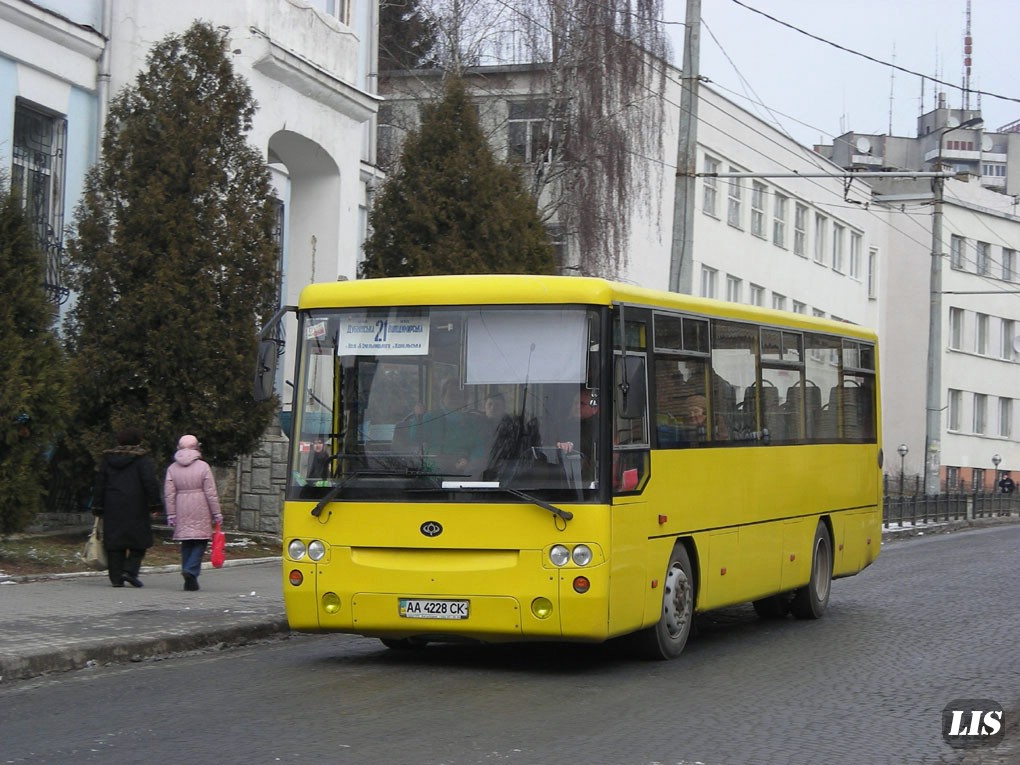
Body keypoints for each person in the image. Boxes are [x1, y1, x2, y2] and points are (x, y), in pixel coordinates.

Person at [92, 427, 162, 588]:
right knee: (140, 541)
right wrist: (155, 504)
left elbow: (100, 483)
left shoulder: (108, 459)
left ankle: (116, 578)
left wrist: (98, 506)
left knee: (114, 542)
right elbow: (149, 482)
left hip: (112, 504)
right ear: (138, 440)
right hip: (136, 505)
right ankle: (130, 571)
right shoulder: (141, 459)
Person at [164, 434, 223, 591]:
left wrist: (171, 514)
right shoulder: (203, 467)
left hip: (181, 505)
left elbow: (169, 494)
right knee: (200, 541)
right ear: (197, 447)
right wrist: (216, 513)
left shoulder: (172, 468)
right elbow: (211, 492)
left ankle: (188, 573)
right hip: (200, 505)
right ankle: (190, 570)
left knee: (187, 542)